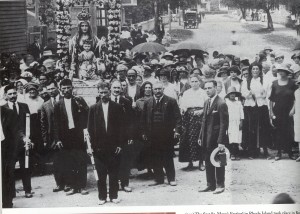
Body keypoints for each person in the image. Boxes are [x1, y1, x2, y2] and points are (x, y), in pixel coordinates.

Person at [87, 82, 124, 205]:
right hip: (98, 147)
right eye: (101, 92)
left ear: (110, 92)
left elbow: (121, 128)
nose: (103, 95)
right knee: (101, 174)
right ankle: (102, 197)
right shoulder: (93, 108)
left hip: (114, 147)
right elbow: (90, 129)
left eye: (105, 92)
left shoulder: (117, 107)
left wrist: (119, 144)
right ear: (98, 93)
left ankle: (114, 195)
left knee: (113, 173)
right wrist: (90, 147)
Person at [141, 81, 181, 186]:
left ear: (163, 89)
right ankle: (159, 179)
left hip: (166, 135)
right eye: (156, 89)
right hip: (152, 135)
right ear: (152, 90)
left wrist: (177, 131)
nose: (157, 91)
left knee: (167, 157)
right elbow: (143, 119)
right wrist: (144, 132)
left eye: (159, 89)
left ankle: (171, 178)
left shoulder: (171, 101)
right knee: (155, 157)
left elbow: (178, 118)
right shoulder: (148, 102)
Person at [53, 79, 89, 195]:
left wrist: (86, 132)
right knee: (69, 162)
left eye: (68, 87)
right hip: (65, 137)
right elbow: (55, 123)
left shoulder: (78, 100)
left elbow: (88, 114)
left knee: (81, 160)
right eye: (64, 88)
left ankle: (82, 186)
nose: (66, 90)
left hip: (78, 135)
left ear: (72, 88)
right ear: (60, 90)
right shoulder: (58, 104)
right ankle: (73, 186)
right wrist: (57, 139)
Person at [3, 85, 34, 198]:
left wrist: (29, 139)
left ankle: (28, 190)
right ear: (6, 95)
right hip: (9, 145)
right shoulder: (3, 108)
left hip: (23, 142)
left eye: (14, 93)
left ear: (17, 94)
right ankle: (11, 193)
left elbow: (29, 125)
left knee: (26, 166)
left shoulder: (24, 106)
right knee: (9, 169)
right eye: (10, 94)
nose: (12, 96)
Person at [198, 80, 228, 194]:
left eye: (210, 88)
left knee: (219, 161)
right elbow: (204, 121)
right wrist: (201, 136)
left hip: (216, 139)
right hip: (206, 138)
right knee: (208, 161)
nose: (207, 90)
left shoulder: (221, 103)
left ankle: (220, 185)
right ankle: (210, 184)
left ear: (216, 88)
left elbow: (224, 124)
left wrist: (221, 141)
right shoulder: (206, 102)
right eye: (205, 88)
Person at [40, 81, 68, 192]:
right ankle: (59, 184)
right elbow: (43, 124)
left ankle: (68, 183)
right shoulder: (45, 105)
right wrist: (45, 140)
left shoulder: (65, 99)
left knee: (67, 160)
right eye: (49, 89)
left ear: (57, 88)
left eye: (53, 88)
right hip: (53, 138)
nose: (51, 91)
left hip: (66, 136)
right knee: (57, 162)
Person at [241, 62, 271, 159]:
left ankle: (265, 151)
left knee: (263, 128)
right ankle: (252, 151)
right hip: (250, 107)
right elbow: (244, 93)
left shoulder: (264, 80)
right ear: (250, 70)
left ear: (260, 70)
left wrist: (257, 94)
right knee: (251, 129)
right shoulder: (246, 81)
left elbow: (266, 93)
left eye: (257, 69)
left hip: (262, 106)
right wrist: (251, 94)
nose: (255, 71)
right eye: (253, 69)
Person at [269, 64, 297, 161]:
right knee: (278, 132)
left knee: (288, 131)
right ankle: (279, 153)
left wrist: (293, 109)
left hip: (288, 111)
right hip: (277, 111)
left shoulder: (293, 83)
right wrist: (271, 112)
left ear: (287, 72)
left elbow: (295, 98)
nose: (281, 72)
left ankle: (289, 152)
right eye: (279, 70)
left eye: (283, 71)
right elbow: (271, 100)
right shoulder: (275, 83)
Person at [179, 74, 207, 171]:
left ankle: (201, 162)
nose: (194, 83)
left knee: (200, 138)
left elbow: (207, 105)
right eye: (192, 81)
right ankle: (190, 162)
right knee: (187, 138)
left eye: (196, 81)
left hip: (200, 117)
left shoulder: (203, 92)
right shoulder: (186, 93)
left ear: (199, 82)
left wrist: (202, 111)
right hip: (189, 118)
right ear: (189, 83)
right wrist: (183, 110)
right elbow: (183, 105)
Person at [109, 80, 133, 192]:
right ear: (110, 88)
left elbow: (130, 121)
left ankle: (124, 183)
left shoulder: (126, 102)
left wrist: (130, 137)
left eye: (118, 88)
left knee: (125, 161)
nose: (117, 90)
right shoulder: (105, 100)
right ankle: (114, 184)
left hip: (123, 136)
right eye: (114, 88)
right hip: (110, 136)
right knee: (112, 161)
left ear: (121, 89)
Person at [69, 8, 104, 78]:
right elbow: (72, 52)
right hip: (80, 62)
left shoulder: (93, 37)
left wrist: (101, 43)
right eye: (82, 26)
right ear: (79, 27)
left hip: (92, 61)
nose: (84, 28)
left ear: (89, 26)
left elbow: (98, 46)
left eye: (86, 26)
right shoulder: (76, 38)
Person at [1, 105, 21, 208]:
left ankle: (7, 203)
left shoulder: (8, 113)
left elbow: (15, 134)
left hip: (5, 149)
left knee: (6, 176)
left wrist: (14, 153)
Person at [225, 86, 244, 160]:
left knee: (237, 138)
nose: (232, 95)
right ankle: (232, 154)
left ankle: (237, 154)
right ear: (228, 95)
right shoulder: (226, 103)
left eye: (233, 94)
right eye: (231, 94)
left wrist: (241, 121)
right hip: (230, 123)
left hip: (237, 123)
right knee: (231, 138)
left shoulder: (238, 103)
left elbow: (241, 113)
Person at [291, 76, 300, 161]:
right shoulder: (296, 92)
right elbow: (295, 102)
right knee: (298, 133)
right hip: (298, 114)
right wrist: (293, 110)